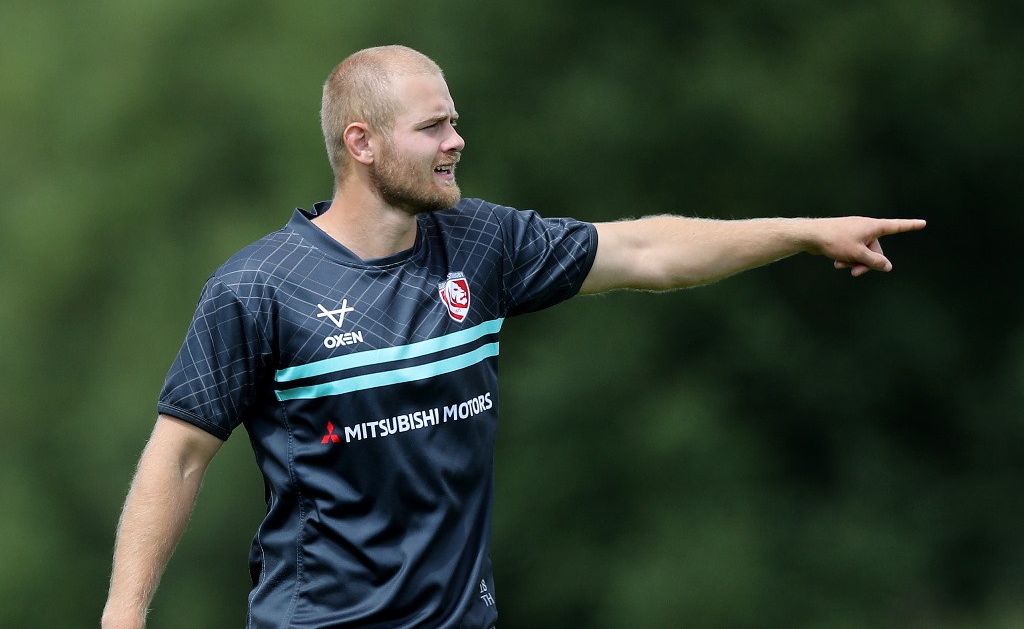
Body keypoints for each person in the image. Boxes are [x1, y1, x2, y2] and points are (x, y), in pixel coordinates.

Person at [101, 45, 926, 629]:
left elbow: (647, 249)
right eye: (433, 126)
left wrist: (803, 229)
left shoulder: (485, 245)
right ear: (363, 143)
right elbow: (177, 456)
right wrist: (123, 614)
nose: (457, 140)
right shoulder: (258, 287)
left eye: (454, 120)